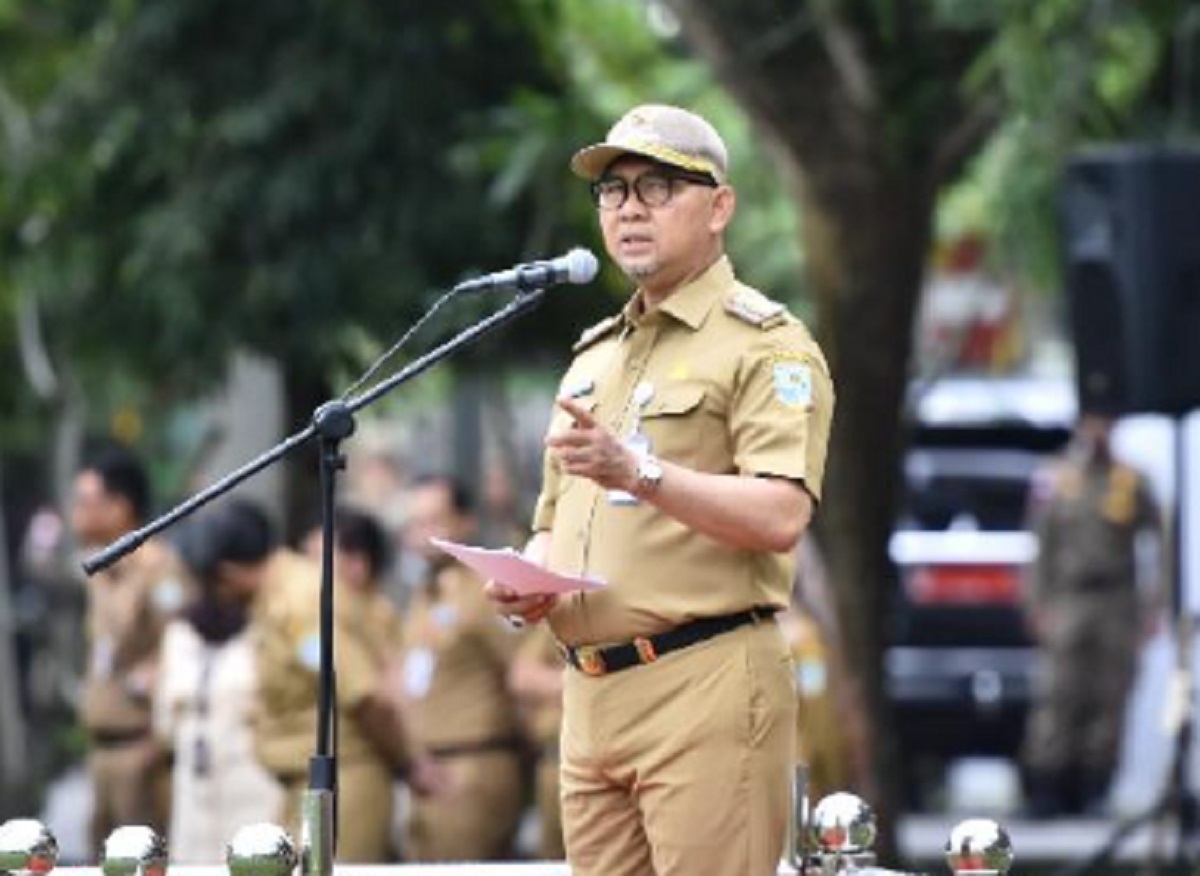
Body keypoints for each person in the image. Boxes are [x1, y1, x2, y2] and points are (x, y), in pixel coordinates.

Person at [485, 104, 835, 876]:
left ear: (720, 208)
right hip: (589, 694)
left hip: (704, 682)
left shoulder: (766, 345)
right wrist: (528, 582)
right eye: (612, 190)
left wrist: (637, 471)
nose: (630, 207)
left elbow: (781, 514)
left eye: (658, 185)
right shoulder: (593, 359)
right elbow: (555, 519)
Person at [203, 500, 425, 862]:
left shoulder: (298, 600)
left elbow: (365, 695)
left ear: (228, 573)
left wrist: (410, 764)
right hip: (308, 786)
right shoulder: (278, 596)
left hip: (344, 784)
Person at [1021, 413, 1165, 816]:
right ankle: (1047, 787)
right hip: (1068, 598)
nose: (1098, 433)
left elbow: (1161, 538)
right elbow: (1040, 546)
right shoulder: (1059, 479)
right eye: (1091, 423)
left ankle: (1095, 787)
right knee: (1058, 694)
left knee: (1110, 695)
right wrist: (1036, 604)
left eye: (1105, 423)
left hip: (1116, 600)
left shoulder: (1130, 481)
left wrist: (1154, 605)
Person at [395, 474, 527, 862]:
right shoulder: (426, 593)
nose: (424, 533)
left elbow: (521, 672)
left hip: (472, 766)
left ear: (465, 521)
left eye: (435, 519)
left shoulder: (488, 590)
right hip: (427, 771)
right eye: (417, 522)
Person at [71, 445, 187, 853]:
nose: (76, 513)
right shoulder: (100, 569)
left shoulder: (158, 567)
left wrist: (157, 743)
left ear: (120, 507)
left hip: (141, 750)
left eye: (87, 502)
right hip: (102, 747)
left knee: (138, 857)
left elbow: (179, 642)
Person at [154, 517, 283, 863]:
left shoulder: (264, 629)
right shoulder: (180, 634)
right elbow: (165, 720)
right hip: (193, 788)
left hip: (251, 781)